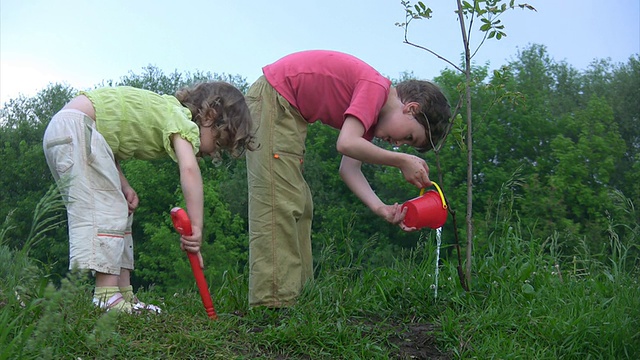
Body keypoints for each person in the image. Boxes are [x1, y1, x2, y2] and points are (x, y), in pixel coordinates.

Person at [245, 49, 452, 308]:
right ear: (411, 109)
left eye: (405, 145)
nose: (398, 144)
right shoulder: (375, 88)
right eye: (409, 137)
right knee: (278, 201)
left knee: (300, 204)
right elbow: (346, 143)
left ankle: (298, 297)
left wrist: (382, 208)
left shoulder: (370, 116)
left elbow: (349, 169)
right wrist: (401, 161)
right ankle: (273, 304)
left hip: (288, 111)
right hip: (275, 101)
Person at [43, 82, 254, 313]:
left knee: (119, 208)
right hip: (77, 128)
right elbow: (189, 170)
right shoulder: (181, 120)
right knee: (106, 209)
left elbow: (108, 138)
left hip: (74, 130)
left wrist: (122, 184)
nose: (213, 152)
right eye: (218, 143)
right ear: (210, 117)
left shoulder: (164, 110)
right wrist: (195, 226)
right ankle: (106, 297)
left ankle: (123, 294)